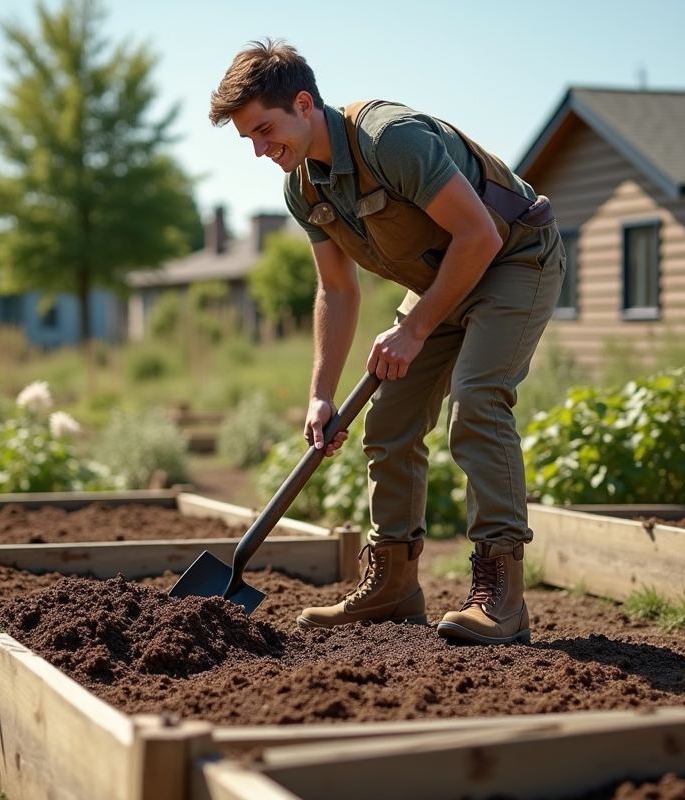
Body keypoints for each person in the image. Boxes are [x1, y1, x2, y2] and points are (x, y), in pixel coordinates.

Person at [209, 40, 564, 646]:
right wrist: (320, 396)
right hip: (441, 281)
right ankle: (394, 587)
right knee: (390, 421)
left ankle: (502, 594)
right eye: (249, 140)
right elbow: (337, 293)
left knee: (476, 399)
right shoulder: (305, 188)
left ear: (303, 103)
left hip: (513, 257)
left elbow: (477, 235)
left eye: (265, 130)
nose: (261, 150)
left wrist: (415, 326)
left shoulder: (389, 139)